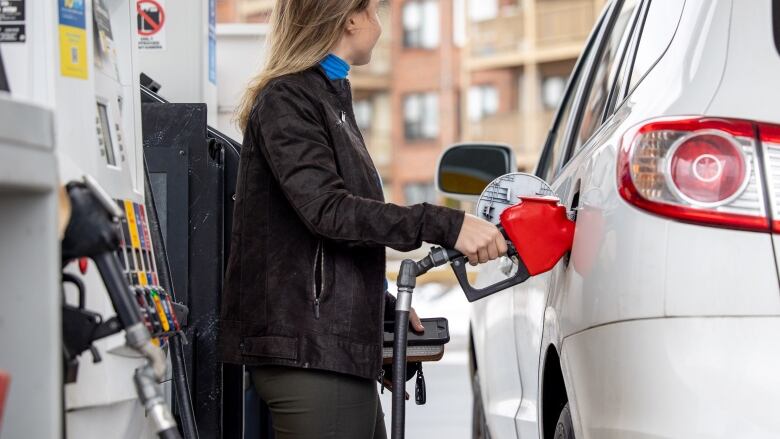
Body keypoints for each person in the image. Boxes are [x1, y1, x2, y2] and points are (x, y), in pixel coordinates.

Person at [218, 0, 507, 437]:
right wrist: (445, 224)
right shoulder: (289, 98)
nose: (379, 23)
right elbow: (329, 212)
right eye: (374, 11)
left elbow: (327, 241)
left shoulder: (328, 99)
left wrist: (381, 312)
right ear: (350, 18)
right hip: (310, 353)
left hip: (330, 352)